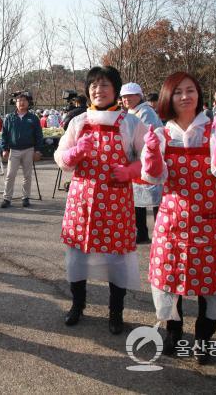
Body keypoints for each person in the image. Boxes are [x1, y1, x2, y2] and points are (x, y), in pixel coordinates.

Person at [141, 71, 216, 365]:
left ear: (199, 95)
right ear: (169, 97)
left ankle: (204, 339)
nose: (185, 96)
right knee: (171, 279)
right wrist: (151, 155)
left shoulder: (215, 129)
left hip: (208, 218)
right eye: (179, 92)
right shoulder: (161, 134)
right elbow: (153, 178)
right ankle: (174, 331)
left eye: (191, 90)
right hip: (171, 218)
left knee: (209, 283)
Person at [54, 65, 147, 334]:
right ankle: (77, 305)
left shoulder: (130, 123)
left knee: (115, 260)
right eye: (94, 85)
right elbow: (61, 157)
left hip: (116, 202)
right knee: (78, 257)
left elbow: (148, 160)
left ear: (115, 90)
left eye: (105, 85)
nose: (99, 90)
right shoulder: (78, 122)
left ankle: (115, 312)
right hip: (81, 201)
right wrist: (73, 155)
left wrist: (131, 170)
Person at [120, 82, 164, 244]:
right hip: (138, 160)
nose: (126, 99)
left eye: (130, 95)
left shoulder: (145, 112)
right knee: (138, 199)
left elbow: (148, 137)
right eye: (124, 96)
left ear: (139, 96)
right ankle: (142, 232)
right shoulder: (133, 112)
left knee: (155, 199)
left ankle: (160, 232)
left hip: (148, 160)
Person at [0, 92, 43, 208]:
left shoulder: (33, 118)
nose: (21, 103)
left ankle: (26, 198)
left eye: (24, 100)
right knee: (10, 175)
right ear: (16, 103)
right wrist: (4, 148)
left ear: (28, 103)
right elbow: (4, 134)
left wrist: (38, 150)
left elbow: (39, 135)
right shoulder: (9, 117)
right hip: (13, 150)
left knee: (27, 175)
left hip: (29, 150)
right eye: (19, 101)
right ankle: (7, 198)